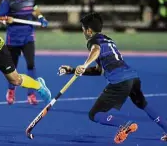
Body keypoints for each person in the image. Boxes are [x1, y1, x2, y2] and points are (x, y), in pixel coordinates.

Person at [57, 12, 167, 143]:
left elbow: (96, 50)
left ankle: (124, 124)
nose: (83, 33)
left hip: (119, 81)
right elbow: (98, 71)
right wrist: (72, 70)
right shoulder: (108, 39)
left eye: (83, 30)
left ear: (89, 31)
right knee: (143, 104)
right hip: (133, 77)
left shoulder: (93, 41)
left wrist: (85, 64)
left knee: (94, 114)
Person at [0, 0, 48, 105]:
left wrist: (41, 17)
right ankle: (11, 90)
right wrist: (6, 20)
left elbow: (35, 9)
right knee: (12, 67)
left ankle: (31, 93)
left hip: (28, 37)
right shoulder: (8, 2)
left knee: (31, 64)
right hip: (13, 39)